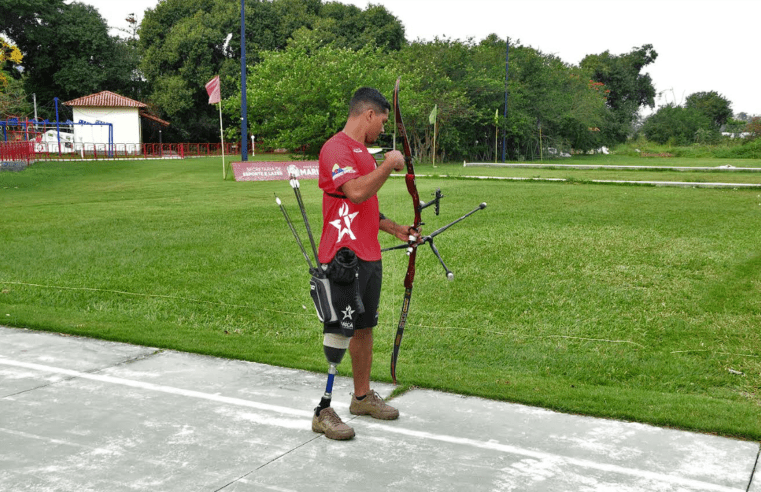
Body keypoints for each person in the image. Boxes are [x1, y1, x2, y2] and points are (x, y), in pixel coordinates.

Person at [311, 87, 420, 440]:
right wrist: (389, 163)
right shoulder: (336, 148)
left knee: (363, 328)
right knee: (338, 330)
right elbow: (356, 191)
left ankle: (360, 398)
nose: (382, 129)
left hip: (368, 255)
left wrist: (395, 229)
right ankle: (323, 410)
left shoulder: (362, 153)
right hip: (342, 257)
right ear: (369, 114)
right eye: (382, 121)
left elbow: (364, 208)